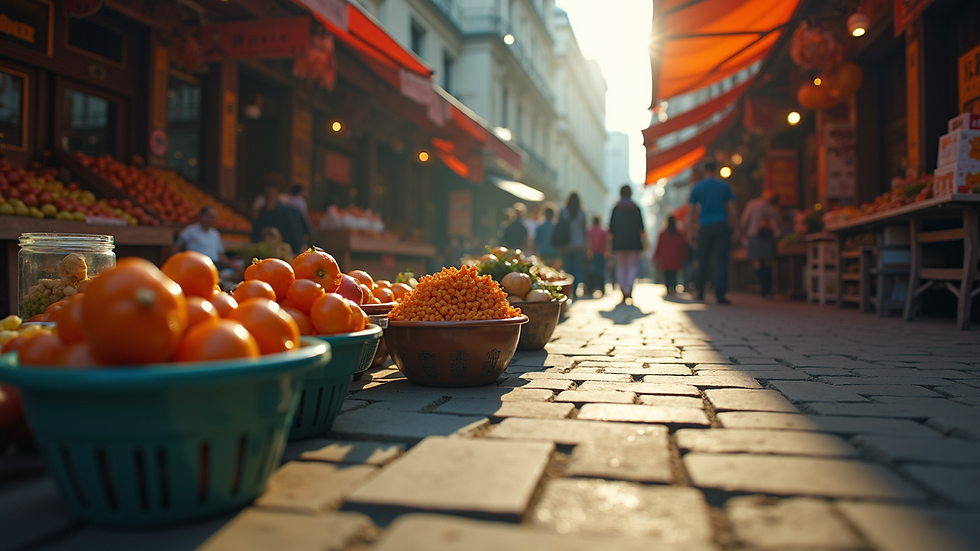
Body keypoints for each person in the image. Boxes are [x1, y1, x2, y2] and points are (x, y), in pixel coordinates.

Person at [686, 161, 739, 304]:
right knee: (722, 260)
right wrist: (736, 229)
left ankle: (700, 292)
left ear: (704, 170)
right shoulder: (724, 186)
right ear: (716, 170)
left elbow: (690, 212)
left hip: (705, 226)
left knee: (702, 259)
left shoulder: (697, 187)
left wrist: (690, 231)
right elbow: (732, 209)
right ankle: (720, 294)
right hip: (722, 225)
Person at [251, 173, 312, 256]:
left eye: (272, 187)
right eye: (269, 188)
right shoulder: (262, 211)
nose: (270, 191)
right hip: (284, 254)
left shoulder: (290, 209)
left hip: (284, 253)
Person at [608, 185, 646, 304]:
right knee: (632, 267)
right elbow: (641, 227)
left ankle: (624, 290)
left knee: (621, 267)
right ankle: (629, 288)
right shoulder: (636, 208)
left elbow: (611, 228)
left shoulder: (616, 208)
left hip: (619, 243)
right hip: (634, 243)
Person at [741, 190, 782, 297]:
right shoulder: (771, 207)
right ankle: (767, 288)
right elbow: (777, 223)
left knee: (757, 261)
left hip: (753, 235)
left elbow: (744, 220)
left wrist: (742, 235)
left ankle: (763, 287)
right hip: (768, 236)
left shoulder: (752, 204)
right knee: (768, 261)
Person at [557, 192, 588, 300]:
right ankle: (575, 291)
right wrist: (586, 245)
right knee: (577, 269)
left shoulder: (563, 211)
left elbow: (559, 228)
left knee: (568, 269)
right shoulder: (582, 213)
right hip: (578, 245)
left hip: (566, 245)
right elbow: (584, 231)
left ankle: (568, 291)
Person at [653, 216, 687, 295]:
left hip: (665, 259)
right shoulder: (679, 234)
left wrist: (655, 257)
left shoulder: (663, 234)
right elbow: (683, 247)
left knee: (667, 274)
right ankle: (673, 287)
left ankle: (668, 287)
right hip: (676, 258)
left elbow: (659, 247)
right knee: (674, 274)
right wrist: (685, 256)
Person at [586, 215, 608, 297]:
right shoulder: (604, 231)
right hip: (601, 253)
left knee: (592, 271)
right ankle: (602, 288)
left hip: (592, 253)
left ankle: (591, 288)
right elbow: (606, 242)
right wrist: (607, 252)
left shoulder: (589, 230)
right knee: (601, 271)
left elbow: (588, 242)